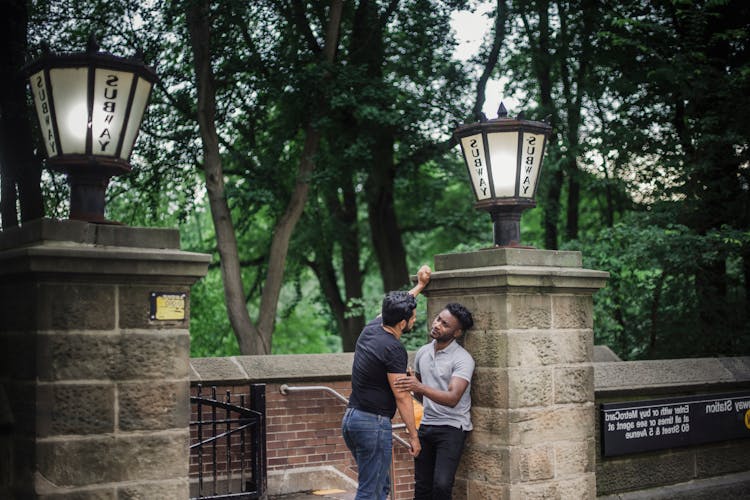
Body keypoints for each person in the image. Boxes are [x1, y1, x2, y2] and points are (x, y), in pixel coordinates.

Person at [342, 265, 431, 500]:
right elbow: (402, 395)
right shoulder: (394, 349)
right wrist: (413, 436)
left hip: (352, 420)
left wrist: (420, 286)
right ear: (403, 323)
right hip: (372, 424)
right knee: (370, 492)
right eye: (412, 317)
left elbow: (398, 305)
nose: (414, 319)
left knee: (380, 488)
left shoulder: (371, 329)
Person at [394, 302, 475, 500]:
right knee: (422, 487)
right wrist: (415, 386)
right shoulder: (423, 352)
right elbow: (420, 393)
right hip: (427, 425)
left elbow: (453, 398)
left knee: (441, 485)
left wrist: (418, 387)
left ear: (456, 333)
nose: (437, 324)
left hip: (452, 428)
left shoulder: (463, 359)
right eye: (438, 319)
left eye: (445, 324)